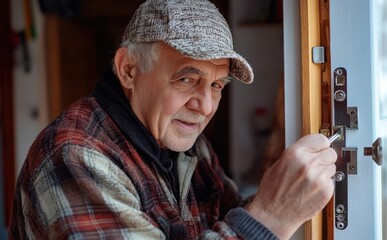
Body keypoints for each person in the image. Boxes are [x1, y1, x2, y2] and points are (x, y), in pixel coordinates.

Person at [9, 0, 337, 239]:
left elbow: (232, 219)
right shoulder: (75, 156)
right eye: (186, 79)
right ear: (128, 70)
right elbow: (255, 223)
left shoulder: (191, 145)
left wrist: (285, 192)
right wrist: (271, 215)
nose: (205, 105)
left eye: (216, 85)